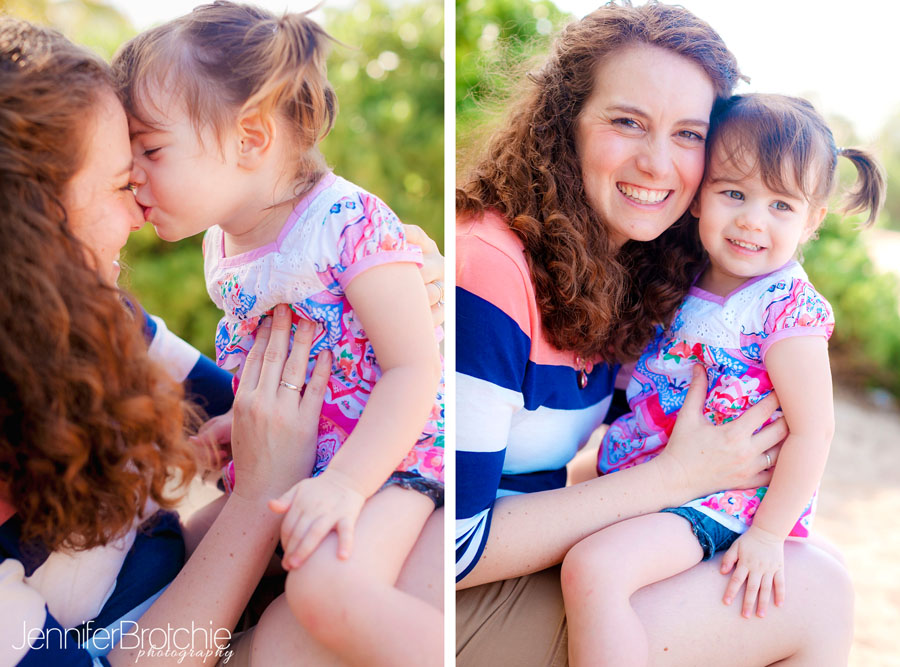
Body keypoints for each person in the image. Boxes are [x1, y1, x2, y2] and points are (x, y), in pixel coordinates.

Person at [0, 16, 443, 666]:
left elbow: (279, 398)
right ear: (32, 223)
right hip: (184, 607)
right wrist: (261, 481)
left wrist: (406, 279)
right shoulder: (223, 254)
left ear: (252, 136)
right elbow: (271, 455)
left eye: (147, 158)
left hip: (379, 469)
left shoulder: (101, 320)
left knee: (314, 609)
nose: (138, 208)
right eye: (121, 180)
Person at [456, 3, 854, 665]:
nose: (656, 161)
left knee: (815, 568)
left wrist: (690, 485)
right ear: (564, 123)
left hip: (620, 526)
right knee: (818, 591)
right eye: (626, 121)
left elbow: (580, 457)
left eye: (689, 134)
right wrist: (675, 477)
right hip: (456, 595)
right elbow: (459, 543)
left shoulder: (637, 271)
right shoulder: (493, 268)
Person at [561, 93, 885, 666]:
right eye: (733, 193)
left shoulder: (786, 307)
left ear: (813, 221)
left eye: (781, 205)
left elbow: (815, 432)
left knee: (595, 568)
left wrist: (766, 536)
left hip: (722, 503)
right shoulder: (681, 282)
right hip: (654, 479)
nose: (752, 220)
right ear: (699, 197)